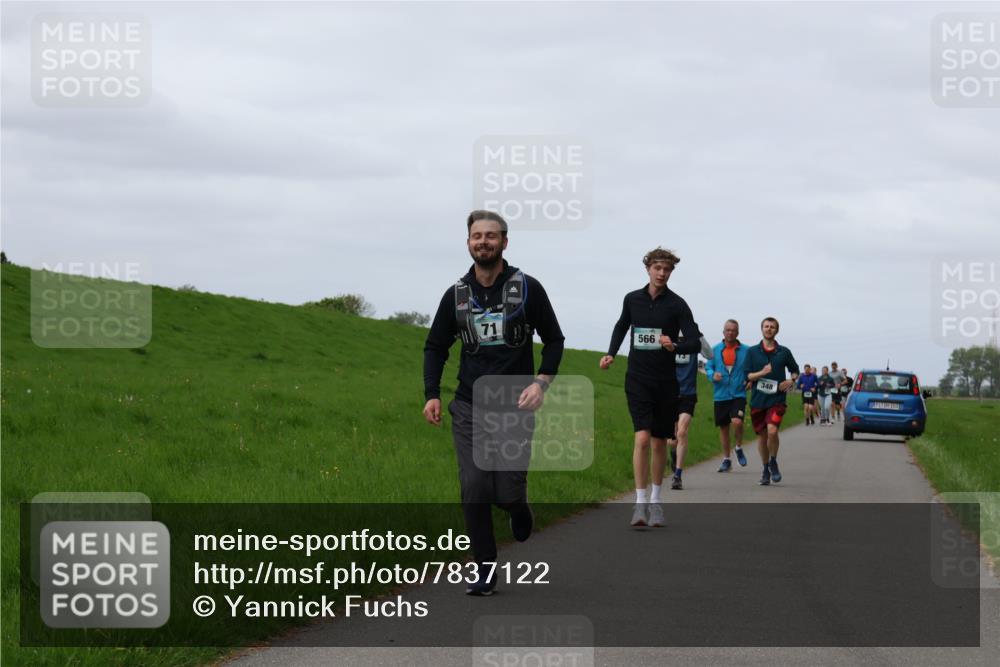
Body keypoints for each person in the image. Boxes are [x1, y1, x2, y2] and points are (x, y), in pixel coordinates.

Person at [423, 210, 565, 596]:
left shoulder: (528, 288)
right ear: (468, 242)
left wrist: (541, 384)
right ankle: (484, 570)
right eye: (476, 236)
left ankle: (519, 508)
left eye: (490, 236)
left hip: (516, 408)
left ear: (504, 241)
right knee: (474, 486)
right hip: (469, 406)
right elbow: (435, 347)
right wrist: (432, 393)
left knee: (506, 493)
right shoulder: (456, 296)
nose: (483, 242)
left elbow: (554, 340)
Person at [600, 247, 701, 528]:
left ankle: (656, 502)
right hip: (638, 379)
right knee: (642, 439)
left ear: (671, 272)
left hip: (666, 382)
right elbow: (621, 326)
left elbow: (694, 341)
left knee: (658, 443)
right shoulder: (632, 299)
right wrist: (610, 353)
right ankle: (639, 502)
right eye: (657, 268)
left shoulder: (678, 305)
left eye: (667, 269)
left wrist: (675, 344)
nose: (662, 273)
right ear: (648, 269)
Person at [744, 317, 799, 485]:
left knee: (772, 431)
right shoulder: (752, 352)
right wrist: (762, 373)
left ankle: (773, 461)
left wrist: (791, 381)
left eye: (772, 327)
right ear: (762, 329)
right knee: (762, 436)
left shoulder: (784, 352)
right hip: (758, 401)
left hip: (777, 399)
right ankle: (765, 468)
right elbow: (748, 375)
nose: (769, 329)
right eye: (766, 326)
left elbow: (795, 370)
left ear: (777, 330)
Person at [666, 332, 711, 490]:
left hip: (688, 394)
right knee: (672, 440)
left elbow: (710, 355)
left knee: (682, 432)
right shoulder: (667, 338)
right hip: (669, 394)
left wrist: (699, 335)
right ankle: (674, 454)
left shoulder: (693, 342)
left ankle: (678, 475)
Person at [705, 319, 749, 472]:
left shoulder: (746, 351)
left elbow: (751, 368)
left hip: (738, 393)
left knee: (737, 422)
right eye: (727, 330)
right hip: (721, 394)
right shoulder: (715, 350)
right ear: (723, 332)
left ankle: (738, 447)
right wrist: (712, 375)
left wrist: (750, 380)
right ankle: (726, 459)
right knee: (724, 428)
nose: (730, 333)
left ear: (738, 333)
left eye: (733, 330)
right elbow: (708, 367)